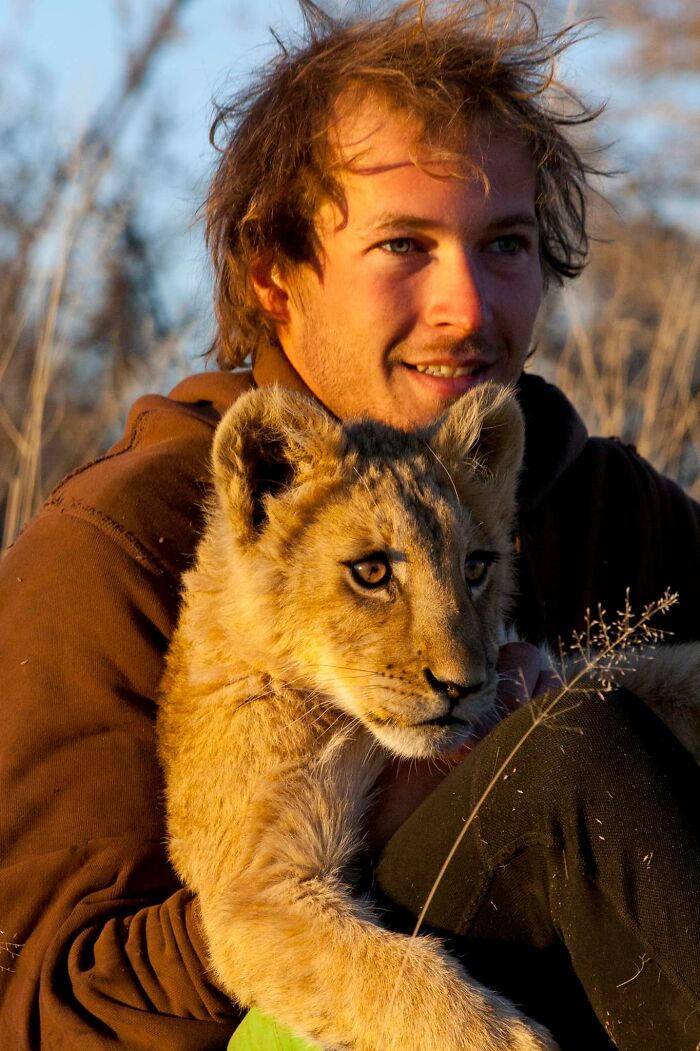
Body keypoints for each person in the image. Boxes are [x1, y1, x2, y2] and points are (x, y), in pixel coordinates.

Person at [1, 2, 699, 1049]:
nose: (466, 305)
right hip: (322, 1005)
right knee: (568, 752)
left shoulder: (585, 496)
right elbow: (35, 1007)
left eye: (504, 243)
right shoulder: (119, 538)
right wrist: (349, 830)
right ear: (273, 275)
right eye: (403, 245)